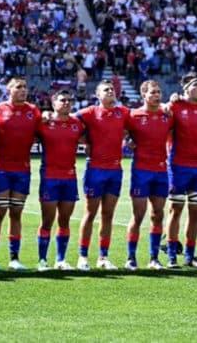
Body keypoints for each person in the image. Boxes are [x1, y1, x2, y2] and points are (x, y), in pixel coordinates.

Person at [0, 77, 41, 271]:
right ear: (9, 90)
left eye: (25, 87)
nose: (23, 90)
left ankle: (14, 258)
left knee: (16, 212)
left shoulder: (33, 111)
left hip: (23, 168)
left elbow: (39, 132)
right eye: (19, 87)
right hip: (1, 167)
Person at [75, 80, 129, 270]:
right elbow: (69, 120)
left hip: (115, 170)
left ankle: (103, 257)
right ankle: (83, 256)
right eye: (106, 90)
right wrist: (85, 141)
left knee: (108, 215)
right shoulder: (90, 112)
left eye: (112, 89)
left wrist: (129, 140)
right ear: (98, 95)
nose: (110, 92)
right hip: (95, 169)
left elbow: (136, 125)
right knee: (90, 213)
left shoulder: (122, 113)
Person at [123, 80, 173, 270]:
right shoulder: (134, 115)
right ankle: (131, 257)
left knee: (158, 215)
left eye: (159, 92)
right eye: (152, 92)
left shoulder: (167, 115)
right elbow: (124, 133)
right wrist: (128, 141)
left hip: (161, 170)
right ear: (143, 95)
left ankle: (153, 258)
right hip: (141, 170)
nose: (156, 96)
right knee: (138, 215)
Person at [166, 73, 197, 268]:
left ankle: (189, 255)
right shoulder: (174, 107)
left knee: (195, 213)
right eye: (195, 85)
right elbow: (164, 129)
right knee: (175, 210)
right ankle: (171, 256)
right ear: (185, 88)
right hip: (178, 166)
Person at [37, 90, 83, 270]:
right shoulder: (43, 123)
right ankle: (42, 260)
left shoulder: (77, 124)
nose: (67, 103)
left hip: (70, 178)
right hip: (49, 177)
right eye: (62, 100)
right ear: (53, 103)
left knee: (65, 220)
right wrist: (43, 115)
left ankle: (60, 260)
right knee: (47, 221)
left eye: (69, 100)